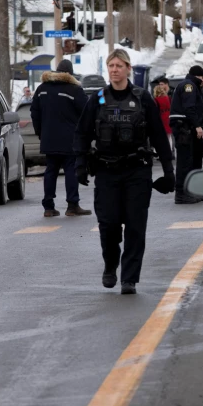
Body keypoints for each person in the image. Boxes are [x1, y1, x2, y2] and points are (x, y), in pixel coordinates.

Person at [73, 49, 175, 295]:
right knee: (107, 224)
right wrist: (79, 164)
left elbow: (159, 137)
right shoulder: (97, 99)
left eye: (119, 65)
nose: (115, 69)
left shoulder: (142, 99)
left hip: (137, 171)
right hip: (107, 171)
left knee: (135, 226)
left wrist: (169, 171)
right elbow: (82, 133)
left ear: (129, 68)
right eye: (111, 65)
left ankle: (129, 278)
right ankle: (111, 262)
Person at [31, 59, 92, 218]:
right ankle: (72, 205)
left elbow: (34, 112)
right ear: (70, 74)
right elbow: (87, 112)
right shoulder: (74, 90)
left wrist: (41, 132)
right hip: (69, 139)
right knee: (70, 170)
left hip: (49, 138)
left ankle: (48, 207)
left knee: (50, 170)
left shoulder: (42, 89)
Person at [169, 65, 203, 204]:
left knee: (191, 161)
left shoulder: (193, 86)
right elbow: (189, 108)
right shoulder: (189, 86)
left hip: (187, 128)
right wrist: (198, 126)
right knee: (184, 162)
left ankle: (190, 191)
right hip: (183, 128)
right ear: (197, 76)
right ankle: (181, 194)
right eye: (202, 78)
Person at [153, 84, 173, 154]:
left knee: (159, 137)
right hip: (168, 118)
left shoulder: (156, 100)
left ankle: (158, 152)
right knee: (169, 137)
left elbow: (155, 111)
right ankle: (169, 151)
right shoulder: (168, 98)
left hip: (161, 119)